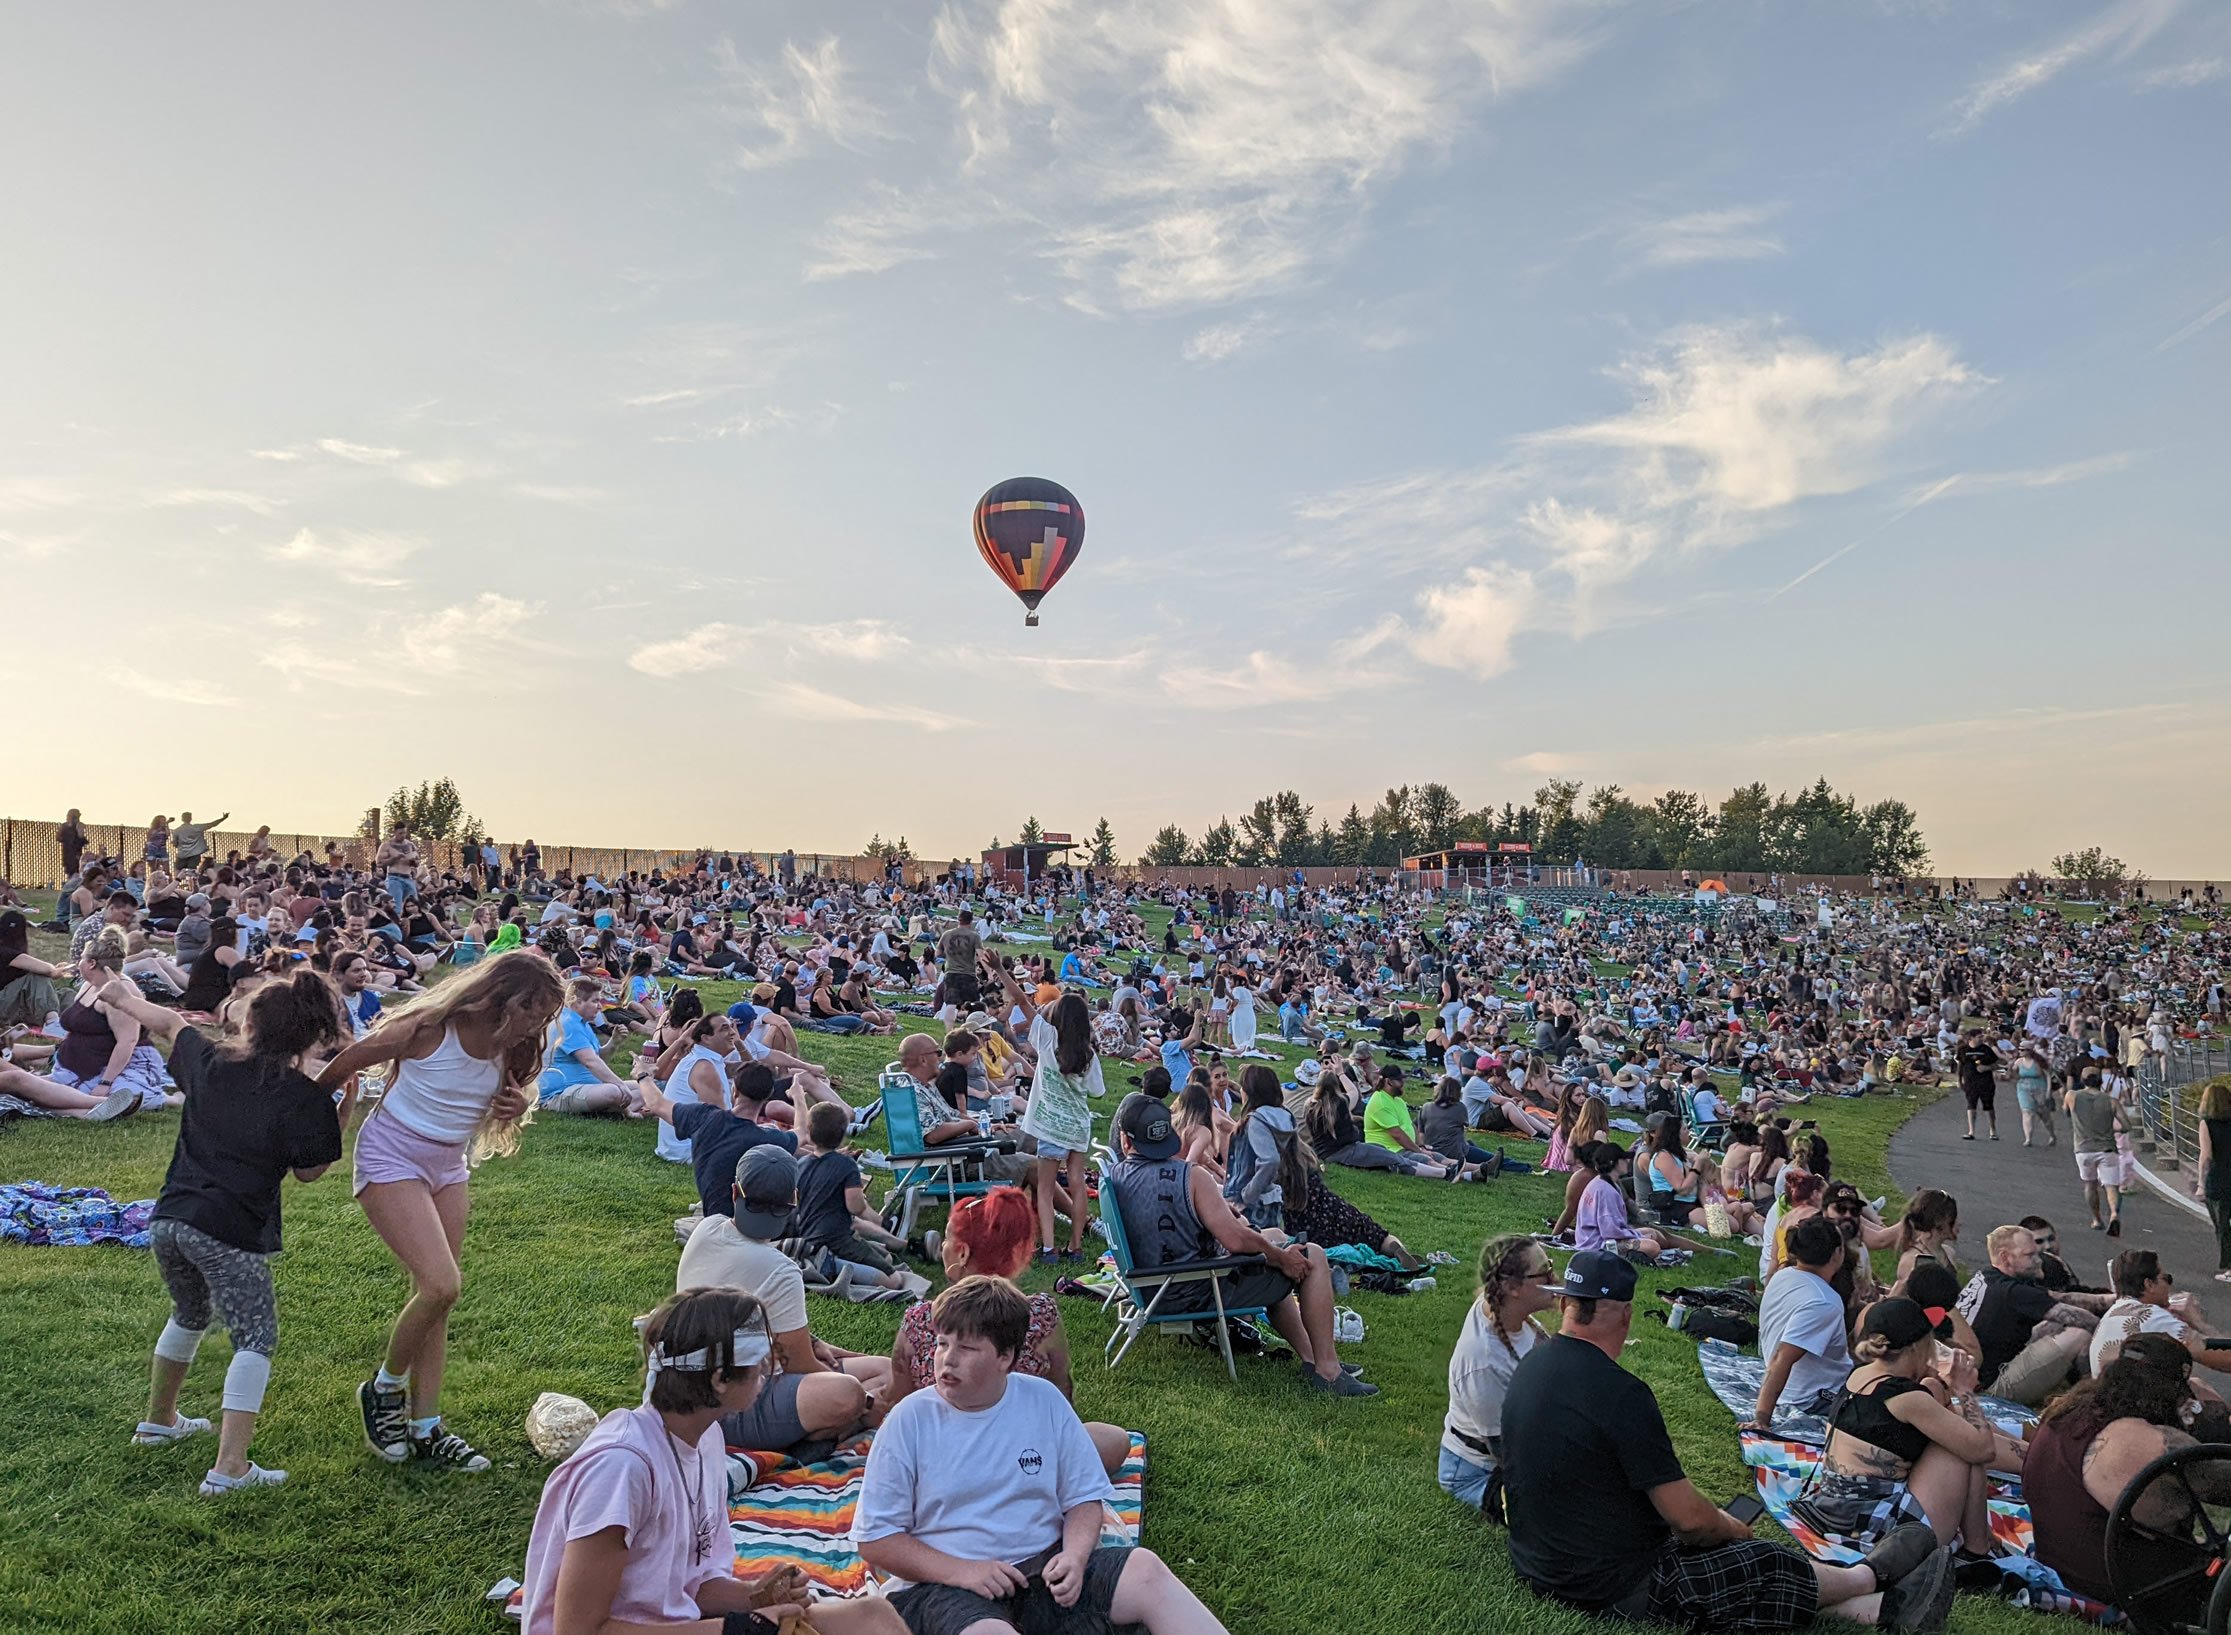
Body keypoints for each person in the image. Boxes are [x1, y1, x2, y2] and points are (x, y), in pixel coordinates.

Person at [1501, 1249, 1956, 1632]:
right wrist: (1728, 1527)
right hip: (1615, 1586)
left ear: (1566, 1307)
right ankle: (1868, 1578)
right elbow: (1689, 1521)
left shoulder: (1531, 1367)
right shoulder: (1619, 1393)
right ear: (1625, 1315)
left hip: (1542, 1563)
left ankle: (1873, 1611)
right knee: (1759, 1561)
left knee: (1740, 1567)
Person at [855, 1275, 1233, 1635]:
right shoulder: (908, 1421)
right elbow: (877, 1540)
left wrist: (1075, 1555)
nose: (946, 1359)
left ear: (1005, 1357)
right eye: (941, 1344)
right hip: (947, 1587)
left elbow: (1083, 1498)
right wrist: (962, 1572)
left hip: (1044, 1573)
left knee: (1145, 1570)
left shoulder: (1042, 1401)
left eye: (966, 1348)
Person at [519, 1286, 907, 1635]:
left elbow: (687, 1586)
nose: (766, 1376)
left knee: (873, 1616)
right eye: (761, 1365)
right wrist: (736, 1629)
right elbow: (577, 1629)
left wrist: (753, 1597)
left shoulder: (705, 1439)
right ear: (720, 1378)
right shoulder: (621, 1470)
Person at [101, 971, 350, 1493]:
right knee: (255, 1337)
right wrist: (342, 1108)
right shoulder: (303, 1098)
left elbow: (169, 1021)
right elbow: (308, 1172)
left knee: (189, 1314)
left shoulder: (210, 1061)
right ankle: (230, 1467)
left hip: (169, 1220)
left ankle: (159, 1422)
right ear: (309, 1038)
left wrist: (123, 996)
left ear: (250, 1022)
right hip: (229, 1232)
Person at [318, 950, 564, 1473]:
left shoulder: (511, 1050)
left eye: (544, 1019)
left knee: (436, 1299)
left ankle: (425, 1427)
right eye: (532, 1013)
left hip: (448, 1166)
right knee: (440, 1286)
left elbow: (503, 1094)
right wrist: (305, 1114)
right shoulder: (430, 1029)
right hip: (391, 1156)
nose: (535, 1027)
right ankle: (385, 1390)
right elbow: (349, 1061)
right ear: (500, 999)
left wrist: (519, 1104)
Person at [1107, 1091, 1378, 1396]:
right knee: (1309, 1255)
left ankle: (1312, 1358)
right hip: (1197, 1288)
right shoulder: (1192, 1176)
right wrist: (1280, 1258)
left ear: (1126, 1141)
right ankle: (1329, 1371)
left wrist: (1269, 1247)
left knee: (1273, 1239)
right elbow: (1235, 1240)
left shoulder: (1116, 1175)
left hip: (1150, 1287)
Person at [886, 1188, 1129, 1473]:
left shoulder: (918, 1320)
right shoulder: (1040, 1315)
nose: (942, 1247)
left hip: (942, 1457)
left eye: (947, 1239)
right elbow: (1062, 1389)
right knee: (1113, 1439)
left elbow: (899, 1401)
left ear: (961, 1253)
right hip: (1021, 1457)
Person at [674, 1146, 888, 1454]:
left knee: (885, 1370)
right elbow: (797, 1363)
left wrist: (823, 1347)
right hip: (730, 1405)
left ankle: (823, 1428)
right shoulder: (781, 1270)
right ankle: (822, 1433)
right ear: (794, 1201)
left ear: (735, 1192)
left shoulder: (707, 1227)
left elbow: (785, 1338)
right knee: (849, 1394)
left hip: (687, 1386)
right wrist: (866, 1403)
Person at [1793, 1298, 2014, 1558]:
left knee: (1955, 1438)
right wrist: (1965, 1391)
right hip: (1878, 1529)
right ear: (1917, 1348)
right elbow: (1982, 1449)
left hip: (1835, 1509)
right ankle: (1978, 1548)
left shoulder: (1860, 1376)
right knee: (1964, 1450)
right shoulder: (1907, 1399)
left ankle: (1981, 1538)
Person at [2025, 1349, 2228, 1612]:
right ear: (2170, 1394)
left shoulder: (2064, 1413)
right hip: (2134, 1588)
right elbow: (2222, 1483)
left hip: (2062, 1568)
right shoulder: (2154, 1442)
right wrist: (2217, 1412)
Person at [985, 956, 1101, 1263]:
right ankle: (1075, 1247)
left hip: (1050, 1126)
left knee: (1046, 1190)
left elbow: (1022, 999)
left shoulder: (1046, 1038)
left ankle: (1048, 1248)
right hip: (1077, 1125)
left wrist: (999, 968)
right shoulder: (1088, 1054)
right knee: (1077, 1186)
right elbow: (1097, 1091)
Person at [1440, 1233, 1557, 1512]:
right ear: (1511, 1287)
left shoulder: (1507, 1313)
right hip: (1476, 1473)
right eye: (1545, 1272)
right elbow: (1509, 1455)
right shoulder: (1484, 1361)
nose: (1555, 1279)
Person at [1959, 1224, 2112, 1407]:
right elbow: (2088, 1321)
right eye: (2029, 1255)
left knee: (2055, 1325)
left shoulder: (1989, 1276)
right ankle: (2094, 1394)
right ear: (2005, 1257)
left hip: (1973, 1375)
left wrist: (2114, 1298)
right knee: (2080, 1333)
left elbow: (2062, 1298)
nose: (2039, 1260)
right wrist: (2123, 1319)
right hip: (1991, 1388)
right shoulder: (2012, 1292)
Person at [1752, 1216, 1854, 1425]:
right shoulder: (1823, 1302)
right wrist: (1762, 1418)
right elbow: (1783, 1358)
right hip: (1811, 1398)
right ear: (1837, 1253)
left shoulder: (1784, 1275)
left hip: (1796, 1389)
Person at [2089, 1248, 2231, 1375]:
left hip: (2110, 1398)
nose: (2169, 1286)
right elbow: (2226, 1358)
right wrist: (2198, 1322)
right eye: (2166, 1279)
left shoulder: (2113, 1314)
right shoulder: (2153, 1317)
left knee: (2196, 1386)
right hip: (2143, 1403)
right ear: (2149, 1284)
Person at [535, 975, 642, 1117]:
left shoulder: (581, 1023)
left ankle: (616, 1109)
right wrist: (620, 1085)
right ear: (578, 1002)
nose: (600, 1006)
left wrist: (614, 1042)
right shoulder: (568, 1023)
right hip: (560, 1092)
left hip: (588, 1087)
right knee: (615, 1091)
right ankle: (621, 1111)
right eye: (595, 1001)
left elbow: (598, 1058)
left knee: (644, 1088)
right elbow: (591, 1062)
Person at [2066, 1074, 2128, 1236]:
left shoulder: (2072, 1096)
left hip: (2083, 1149)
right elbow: (2126, 1126)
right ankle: (2114, 1213)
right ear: (2101, 1082)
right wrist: (2112, 1129)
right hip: (2107, 1148)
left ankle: (2097, 1219)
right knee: (2111, 1186)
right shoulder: (2111, 1101)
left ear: (2083, 1081)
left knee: (2090, 1185)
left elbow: (2066, 1111)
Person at [0, 909, 66, 1028]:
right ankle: (53, 1024)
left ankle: (70, 1022)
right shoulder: (5, 952)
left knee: (66, 994)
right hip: (4, 1005)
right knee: (37, 977)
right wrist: (55, 970)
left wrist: (55, 969)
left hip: (15, 1003)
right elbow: (47, 970)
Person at [2198, 1078, 2231, 1282]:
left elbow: (2206, 1156)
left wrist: (2201, 1183)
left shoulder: (2207, 1124)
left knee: (2222, 1225)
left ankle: (2229, 1267)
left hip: (2218, 1179)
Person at [1953, 1031, 2000, 1141]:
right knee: (1971, 1104)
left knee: (1988, 1105)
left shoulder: (1986, 1050)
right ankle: (1971, 1131)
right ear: (1971, 1038)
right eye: (1979, 1037)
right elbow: (1960, 1065)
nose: (1982, 1039)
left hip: (1985, 1082)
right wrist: (1959, 1080)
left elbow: (1996, 1064)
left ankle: (1993, 1131)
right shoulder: (1963, 1050)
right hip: (1970, 1082)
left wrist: (1986, 1068)